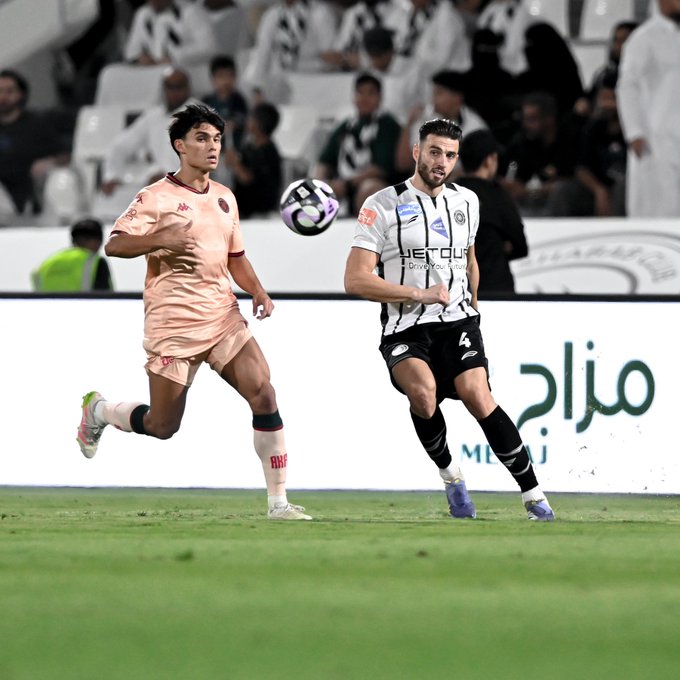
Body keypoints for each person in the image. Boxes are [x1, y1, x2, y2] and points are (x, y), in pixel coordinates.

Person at [77, 104, 311, 521]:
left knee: (264, 394)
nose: (213, 146)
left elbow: (235, 257)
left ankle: (278, 503)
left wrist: (257, 290)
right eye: (202, 138)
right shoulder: (155, 197)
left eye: (217, 139)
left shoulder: (225, 197)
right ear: (179, 146)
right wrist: (159, 238)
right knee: (163, 426)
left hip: (222, 317)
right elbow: (115, 244)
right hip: (173, 324)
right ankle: (100, 411)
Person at [343, 117, 554, 521]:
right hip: (405, 327)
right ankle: (451, 476)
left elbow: (470, 259)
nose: (442, 162)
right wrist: (417, 294)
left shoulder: (467, 201)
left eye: (450, 155)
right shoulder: (381, 205)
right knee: (423, 395)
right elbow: (354, 279)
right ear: (417, 152)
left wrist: (473, 303)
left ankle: (534, 496)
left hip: (458, 322)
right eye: (435, 152)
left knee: (478, 394)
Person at [616, 0, 680, 217]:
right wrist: (634, 131)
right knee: (660, 207)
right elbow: (627, 86)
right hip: (656, 138)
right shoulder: (644, 38)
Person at [100, 68, 202, 197]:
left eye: (178, 87)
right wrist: (112, 175)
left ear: (188, 88)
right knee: (115, 196)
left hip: (189, 187)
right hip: (157, 182)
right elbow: (121, 145)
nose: (173, 92)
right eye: (169, 87)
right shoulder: (154, 115)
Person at [314, 72, 401, 216]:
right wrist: (321, 184)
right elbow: (325, 161)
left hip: (376, 184)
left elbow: (380, 169)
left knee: (370, 190)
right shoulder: (346, 126)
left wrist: (347, 184)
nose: (364, 98)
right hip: (343, 183)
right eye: (360, 93)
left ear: (380, 97)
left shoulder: (388, 126)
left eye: (370, 93)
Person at [456, 129, 527, 294]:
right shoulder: (497, 195)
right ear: (489, 160)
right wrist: (501, 245)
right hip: (496, 287)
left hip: (456, 289)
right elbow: (520, 244)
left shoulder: (447, 193)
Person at [0, 69, 71, 219]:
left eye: (9, 91)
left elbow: (64, 155)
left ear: (21, 94)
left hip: (30, 191)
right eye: (0, 91)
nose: (3, 97)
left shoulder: (36, 124)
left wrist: (49, 162)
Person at [395, 69, 487, 176]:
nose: (433, 100)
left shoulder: (475, 128)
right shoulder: (425, 119)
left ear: (457, 98)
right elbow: (403, 164)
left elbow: (479, 171)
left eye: (439, 93)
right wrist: (409, 124)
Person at [123, 0, 218, 96]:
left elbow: (209, 47)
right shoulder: (143, 14)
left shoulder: (192, 12)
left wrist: (174, 57)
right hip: (155, 79)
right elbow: (131, 50)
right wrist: (140, 59)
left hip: (191, 78)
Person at [224, 102, 283, 218]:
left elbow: (247, 178)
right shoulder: (250, 147)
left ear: (259, 124)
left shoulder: (268, 152)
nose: (247, 121)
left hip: (258, 211)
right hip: (244, 206)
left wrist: (235, 163)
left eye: (251, 118)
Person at [32, 218, 113, 292]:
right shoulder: (96, 262)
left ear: (73, 240)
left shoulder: (44, 265)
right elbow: (106, 298)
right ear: (98, 242)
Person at [202, 55, 248, 151]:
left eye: (229, 76)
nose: (225, 81)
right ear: (213, 79)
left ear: (235, 77)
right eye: (221, 76)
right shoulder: (206, 101)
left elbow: (240, 120)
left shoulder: (239, 101)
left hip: (235, 151)